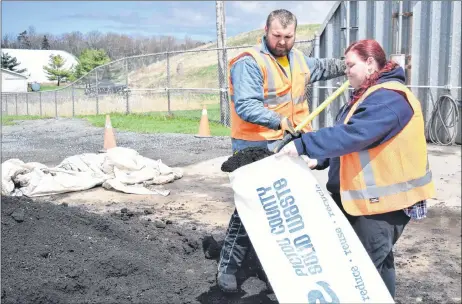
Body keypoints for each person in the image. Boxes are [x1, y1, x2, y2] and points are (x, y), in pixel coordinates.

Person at [277, 39, 435, 299]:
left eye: (351, 65)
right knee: (378, 266)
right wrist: (321, 160)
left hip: (383, 207)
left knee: (356, 275)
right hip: (366, 203)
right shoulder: (367, 95)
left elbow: (355, 135)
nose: (346, 70)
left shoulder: (390, 98)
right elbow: (350, 141)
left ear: (370, 63)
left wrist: (304, 144)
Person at [217, 9, 346, 293]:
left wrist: (348, 63)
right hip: (255, 145)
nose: (282, 42)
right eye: (277, 35)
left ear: (295, 35)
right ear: (266, 30)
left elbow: (323, 67)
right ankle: (228, 268)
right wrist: (281, 121)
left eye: (288, 37)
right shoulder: (249, 62)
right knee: (250, 206)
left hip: (289, 144)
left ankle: (278, 266)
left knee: (286, 208)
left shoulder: (298, 59)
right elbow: (246, 105)